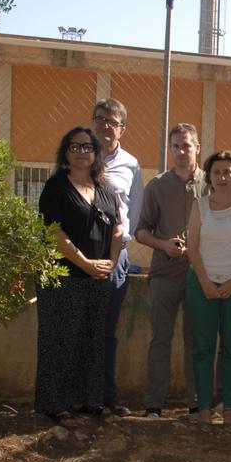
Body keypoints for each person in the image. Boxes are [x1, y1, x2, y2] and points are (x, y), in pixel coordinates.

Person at [35, 127, 121, 426]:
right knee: (62, 340)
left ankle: (90, 400)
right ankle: (55, 404)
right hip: (64, 277)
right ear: (66, 153)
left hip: (97, 278)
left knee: (92, 339)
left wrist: (110, 261)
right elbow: (53, 232)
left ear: (97, 153)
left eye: (88, 146)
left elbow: (118, 227)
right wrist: (85, 263)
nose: (82, 151)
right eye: (75, 146)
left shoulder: (106, 189)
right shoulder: (57, 187)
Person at [185, 150, 231, 431]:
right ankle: (204, 408)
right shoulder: (199, 206)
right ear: (209, 176)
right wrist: (204, 280)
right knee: (203, 349)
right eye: (216, 172)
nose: (222, 177)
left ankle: (229, 408)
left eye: (228, 172)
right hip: (201, 284)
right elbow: (192, 247)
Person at [136, 123, 203, 417]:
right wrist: (164, 245)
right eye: (175, 146)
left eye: (186, 145)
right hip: (164, 274)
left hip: (199, 275)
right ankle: (154, 404)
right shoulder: (157, 186)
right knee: (160, 339)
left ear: (197, 148)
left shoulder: (211, 184)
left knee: (196, 340)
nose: (180, 151)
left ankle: (197, 402)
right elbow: (140, 231)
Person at [91, 99, 142, 418]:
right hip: (78, 255)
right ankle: (76, 396)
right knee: (80, 327)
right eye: (100, 119)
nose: (105, 126)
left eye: (112, 121)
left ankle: (105, 396)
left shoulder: (131, 164)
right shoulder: (77, 155)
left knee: (107, 330)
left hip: (114, 256)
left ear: (122, 128)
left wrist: (121, 243)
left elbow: (134, 211)